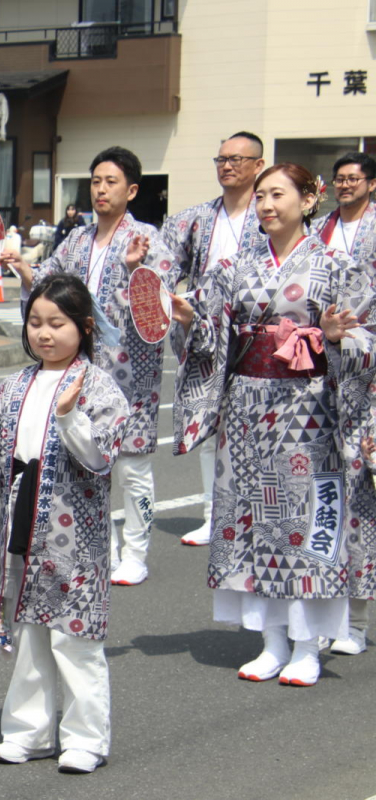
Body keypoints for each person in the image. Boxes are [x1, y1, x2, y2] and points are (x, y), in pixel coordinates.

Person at [170, 163, 376, 687]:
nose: (265, 204)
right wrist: (192, 323)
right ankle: (271, 641)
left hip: (311, 410)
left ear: (308, 200)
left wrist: (335, 337)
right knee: (253, 522)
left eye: (277, 194)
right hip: (247, 408)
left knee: (303, 523)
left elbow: (367, 338)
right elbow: (212, 337)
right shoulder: (233, 266)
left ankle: (307, 646)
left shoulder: (337, 265)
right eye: (260, 195)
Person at [0, 273, 127, 774]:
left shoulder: (99, 387)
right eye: (35, 323)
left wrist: (70, 416)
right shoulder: (15, 386)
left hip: (77, 536)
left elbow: (100, 457)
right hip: (24, 520)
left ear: (84, 327)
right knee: (29, 629)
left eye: (57, 323)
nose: (44, 333)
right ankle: (29, 732)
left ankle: (86, 739)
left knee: (75, 637)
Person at [4, 146, 177, 587]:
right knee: (84, 462)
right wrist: (23, 269)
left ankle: (135, 553)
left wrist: (136, 271)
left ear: (131, 190)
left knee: (133, 468)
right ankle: (105, 548)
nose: (101, 189)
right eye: (96, 181)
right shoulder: (77, 239)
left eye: (111, 182)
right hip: (80, 373)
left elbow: (160, 309)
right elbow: (49, 283)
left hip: (130, 373)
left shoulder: (149, 239)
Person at [161, 131, 266, 547]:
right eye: (221, 159)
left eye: (237, 159)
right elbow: (165, 267)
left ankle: (257, 514)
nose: (227, 166)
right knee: (210, 423)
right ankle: (213, 514)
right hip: (205, 333)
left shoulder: (270, 214)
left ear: (258, 165)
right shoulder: (195, 218)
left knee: (257, 426)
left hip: (256, 333)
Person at [313, 151, 376, 656]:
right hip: (320, 375)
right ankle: (319, 614)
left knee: (358, 501)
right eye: (339, 179)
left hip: (368, 377)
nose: (345, 185)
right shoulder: (319, 232)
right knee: (319, 500)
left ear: (371, 184)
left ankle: (355, 622)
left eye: (354, 179)